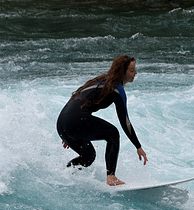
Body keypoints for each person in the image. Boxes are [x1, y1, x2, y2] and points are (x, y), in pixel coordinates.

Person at [56, 55, 147, 186]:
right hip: (73, 122)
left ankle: (64, 175)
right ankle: (111, 176)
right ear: (123, 72)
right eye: (132, 70)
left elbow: (75, 99)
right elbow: (125, 121)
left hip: (62, 123)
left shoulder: (101, 81)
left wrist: (68, 131)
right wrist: (138, 146)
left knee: (88, 157)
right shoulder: (116, 88)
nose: (135, 73)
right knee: (113, 134)